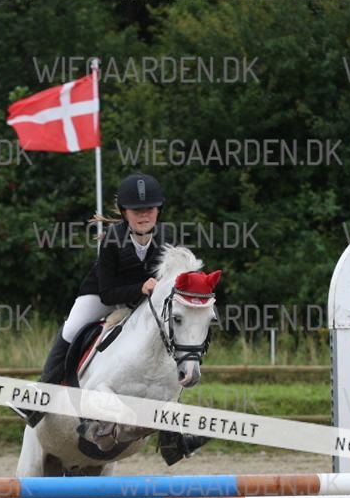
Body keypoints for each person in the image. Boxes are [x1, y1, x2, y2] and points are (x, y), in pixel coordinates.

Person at [17, 172, 210, 464]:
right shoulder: (112, 240)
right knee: (72, 328)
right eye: (136, 210)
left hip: (143, 302)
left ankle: (173, 437)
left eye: (149, 209)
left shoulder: (167, 239)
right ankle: (40, 397)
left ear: (158, 210)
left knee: (169, 339)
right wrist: (140, 287)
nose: (144, 215)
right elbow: (108, 293)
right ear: (124, 213)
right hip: (101, 295)